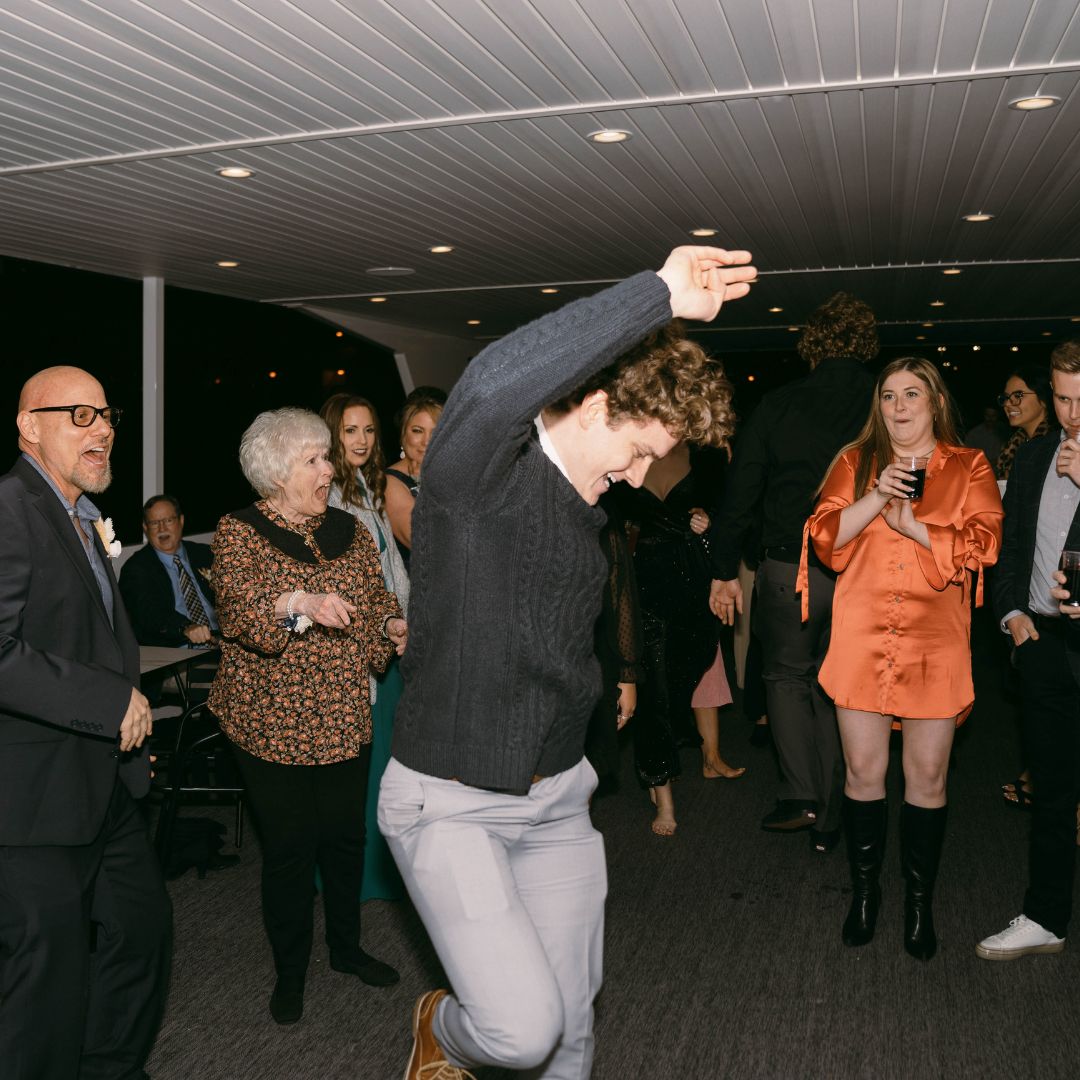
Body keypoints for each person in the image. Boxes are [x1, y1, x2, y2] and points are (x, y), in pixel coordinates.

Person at [378, 245, 756, 1080]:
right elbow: (489, 382)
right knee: (520, 1031)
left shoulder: (591, 514)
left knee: (573, 1031)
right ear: (592, 403)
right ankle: (442, 1024)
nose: (644, 468)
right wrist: (656, 296)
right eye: (642, 445)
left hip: (557, 802)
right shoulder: (477, 481)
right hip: (452, 802)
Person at [208, 407, 407, 1024]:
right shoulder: (238, 531)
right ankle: (290, 971)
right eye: (315, 460)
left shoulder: (348, 528)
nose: (330, 469)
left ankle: (346, 949)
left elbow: (376, 607)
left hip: (345, 713)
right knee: (292, 848)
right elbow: (240, 613)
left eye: (328, 456)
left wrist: (393, 627)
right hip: (270, 724)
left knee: (346, 840)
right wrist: (299, 601)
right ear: (275, 473)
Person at [0, 366, 171, 1079]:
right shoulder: (11, 507)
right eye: (78, 415)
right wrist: (107, 701)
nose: (101, 429)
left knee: (141, 934)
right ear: (28, 426)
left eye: (105, 416)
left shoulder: (80, 517)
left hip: (103, 785)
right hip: (34, 798)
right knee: (46, 982)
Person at [807, 357, 1002, 960]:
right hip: (862, 638)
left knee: (927, 779)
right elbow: (823, 536)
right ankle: (864, 897)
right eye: (889, 395)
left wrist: (916, 526)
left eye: (911, 394)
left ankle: (919, 904)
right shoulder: (855, 460)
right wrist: (875, 495)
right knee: (863, 775)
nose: (898, 407)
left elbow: (986, 544)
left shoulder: (969, 465)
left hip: (934, 645)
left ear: (935, 402)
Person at [708, 292, 878, 853]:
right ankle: (833, 814)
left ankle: (801, 793)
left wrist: (724, 569)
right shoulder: (887, 404)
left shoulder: (779, 405)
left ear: (812, 347)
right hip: (864, 566)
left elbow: (741, 495)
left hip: (789, 564)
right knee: (842, 688)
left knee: (786, 677)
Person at [977, 341, 1080, 961]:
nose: (1073, 413)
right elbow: (1010, 548)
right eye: (1064, 398)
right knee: (1052, 789)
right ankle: (1045, 916)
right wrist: (1012, 616)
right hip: (1044, 645)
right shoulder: (1036, 453)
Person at [613, 441, 740, 836]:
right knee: (655, 695)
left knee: (683, 682)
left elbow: (733, 512)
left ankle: (663, 763)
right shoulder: (624, 453)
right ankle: (663, 790)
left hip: (693, 585)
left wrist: (708, 518)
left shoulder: (708, 456)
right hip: (641, 587)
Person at [321, 391, 408, 901]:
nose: (361, 440)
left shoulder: (367, 486)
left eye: (369, 431)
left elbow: (391, 563)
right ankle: (361, 879)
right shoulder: (326, 490)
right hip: (360, 648)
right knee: (367, 767)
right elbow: (346, 580)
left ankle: (386, 869)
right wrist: (384, 621)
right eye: (351, 431)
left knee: (390, 761)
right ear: (334, 434)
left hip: (390, 639)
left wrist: (403, 618)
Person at [119, 493, 218, 647]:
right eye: (154, 523)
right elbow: (149, 613)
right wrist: (185, 627)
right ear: (145, 528)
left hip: (223, 645)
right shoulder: (136, 569)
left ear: (181, 521)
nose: (162, 528)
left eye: (169, 520)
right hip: (178, 654)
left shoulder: (206, 555)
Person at [384, 386, 445, 566]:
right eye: (417, 431)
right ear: (403, 434)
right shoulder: (389, 483)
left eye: (435, 432)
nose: (427, 441)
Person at [995, 363, 1052, 482]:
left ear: (1043, 399)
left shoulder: (1056, 446)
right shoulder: (1013, 445)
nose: (1007, 404)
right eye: (1006, 397)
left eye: (1018, 395)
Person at [964, 405, 1006, 470]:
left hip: (1000, 472)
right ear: (983, 415)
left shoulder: (1004, 431)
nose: (990, 418)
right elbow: (967, 456)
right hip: (980, 470)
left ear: (998, 416)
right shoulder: (973, 434)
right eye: (987, 415)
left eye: (993, 416)